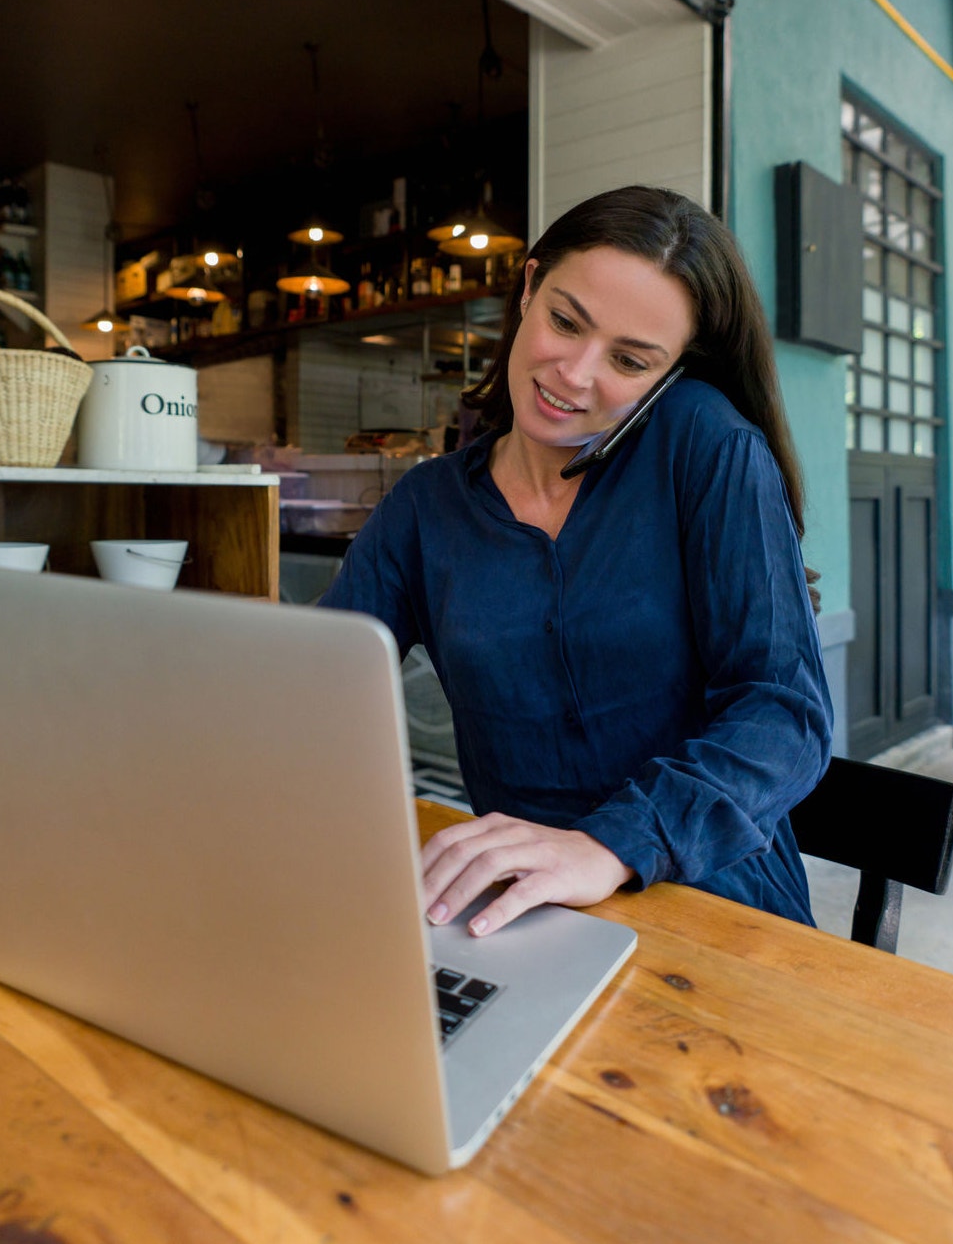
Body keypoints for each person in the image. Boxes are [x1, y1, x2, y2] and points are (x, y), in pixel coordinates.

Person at [319, 186, 831, 937]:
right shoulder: (428, 505)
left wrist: (609, 843)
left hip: (713, 901)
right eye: (565, 320)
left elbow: (787, 714)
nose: (574, 373)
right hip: (519, 907)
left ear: (671, 373)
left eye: (629, 359)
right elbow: (317, 683)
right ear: (529, 286)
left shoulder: (707, 445)